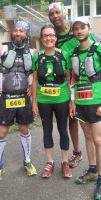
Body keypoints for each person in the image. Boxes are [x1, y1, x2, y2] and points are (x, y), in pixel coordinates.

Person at [47, 2, 101, 172]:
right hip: (69, 81)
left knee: (94, 129)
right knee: (74, 117)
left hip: (91, 83)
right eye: (51, 14)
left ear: (64, 13)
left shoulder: (76, 29)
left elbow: (93, 51)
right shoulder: (52, 36)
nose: (55, 16)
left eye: (58, 12)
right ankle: (77, 152)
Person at [0, 21, 37, 182]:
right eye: (15, 30)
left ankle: (27, 161)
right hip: (5, 97)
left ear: (26, 34)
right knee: (1, 132)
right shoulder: (2, 47)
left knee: (24, 130)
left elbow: (39, 73)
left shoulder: (33, 51)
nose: (18, 33)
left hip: (23, 98)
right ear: (12, 32)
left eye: (21, 31)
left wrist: (32, 85)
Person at [68, 17, 101, 200]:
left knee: (97, 139)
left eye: (82, 27)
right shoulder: (74, 53)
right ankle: (92, 169)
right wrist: (72, 102)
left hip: (96, 102)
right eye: (76, 28)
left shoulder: (100, 49)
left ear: (89, 28)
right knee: (87, 137)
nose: (79, 31)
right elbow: (72, 80)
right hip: (80, 102)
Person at [32, 24, 72, 179]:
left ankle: (64, 162)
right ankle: (50, 162)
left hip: (62, 98)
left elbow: (68, 78)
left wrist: (71, 101)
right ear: (42, 39)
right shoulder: (37, 56)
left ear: (56, 38)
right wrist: (34, 102)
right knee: (46, 130)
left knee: (63, 129)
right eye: (45, 36)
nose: (48, 38)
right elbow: (34, 80)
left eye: (51, 35)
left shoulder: (64, 55)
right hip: (43, 100)